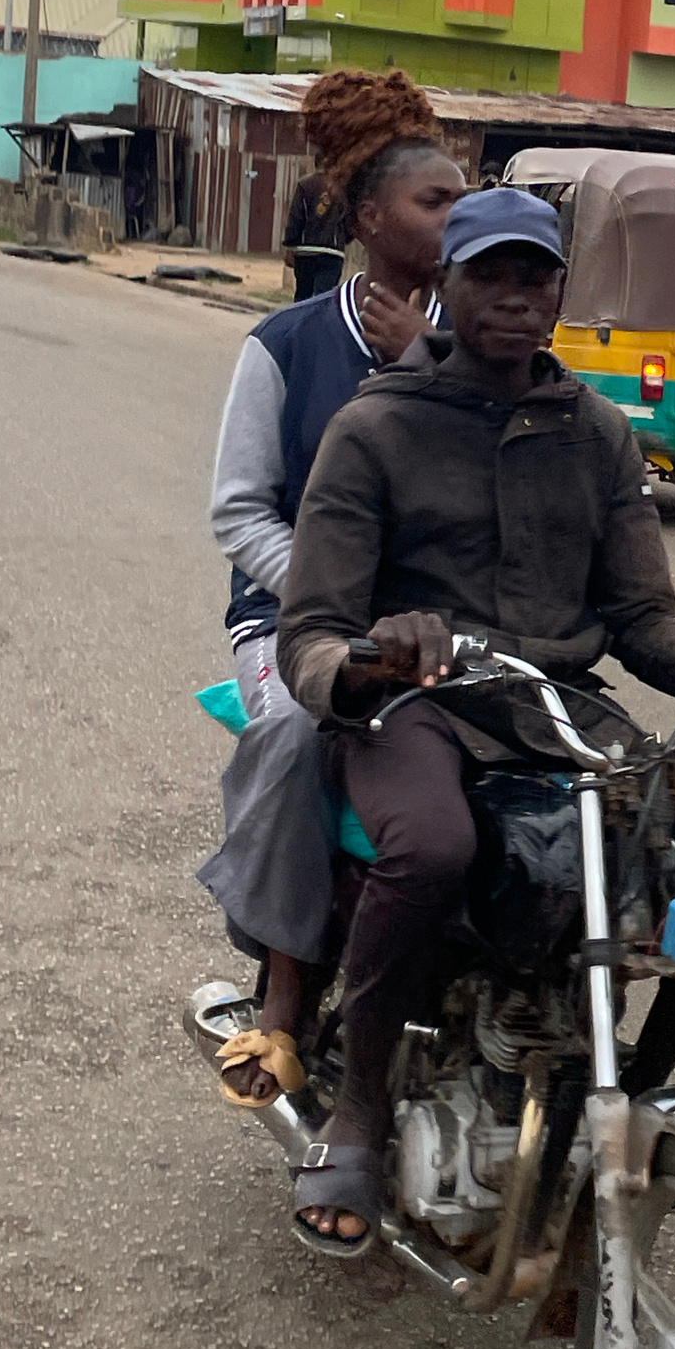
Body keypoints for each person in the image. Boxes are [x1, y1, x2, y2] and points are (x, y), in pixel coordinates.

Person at [277, 188, 675, 1252]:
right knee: (433, 844)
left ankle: (634, 1096)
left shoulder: (598, 432)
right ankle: (359, 1113)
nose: (517, 296)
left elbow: (642, 619)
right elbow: (309, 634)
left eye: (537, 276)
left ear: (561, 290)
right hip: (416, 707)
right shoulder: (375, 426)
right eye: (491, 273)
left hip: (556, 708)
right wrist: (374, 656)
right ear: (447, 283)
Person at [202, 69, 466, 1105]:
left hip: (442, 627)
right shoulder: (285, 346)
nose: (454, 218)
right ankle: (281, 995)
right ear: (368, 218)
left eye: (461, 200)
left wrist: (429, 364)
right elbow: (239, 514)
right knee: (296, 730)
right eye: (433, 200)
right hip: (291, 622)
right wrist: (334, 602)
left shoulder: (481, 345)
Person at [282, 157, 350, 301]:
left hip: (305, 252)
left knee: (303, 298)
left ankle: (303, 316)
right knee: (324, 299)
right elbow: (350, 220)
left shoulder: (304, 184)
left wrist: (290, 245)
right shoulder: (343, 187)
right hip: (332, 253)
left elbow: (296, 217)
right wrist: (342, 238)